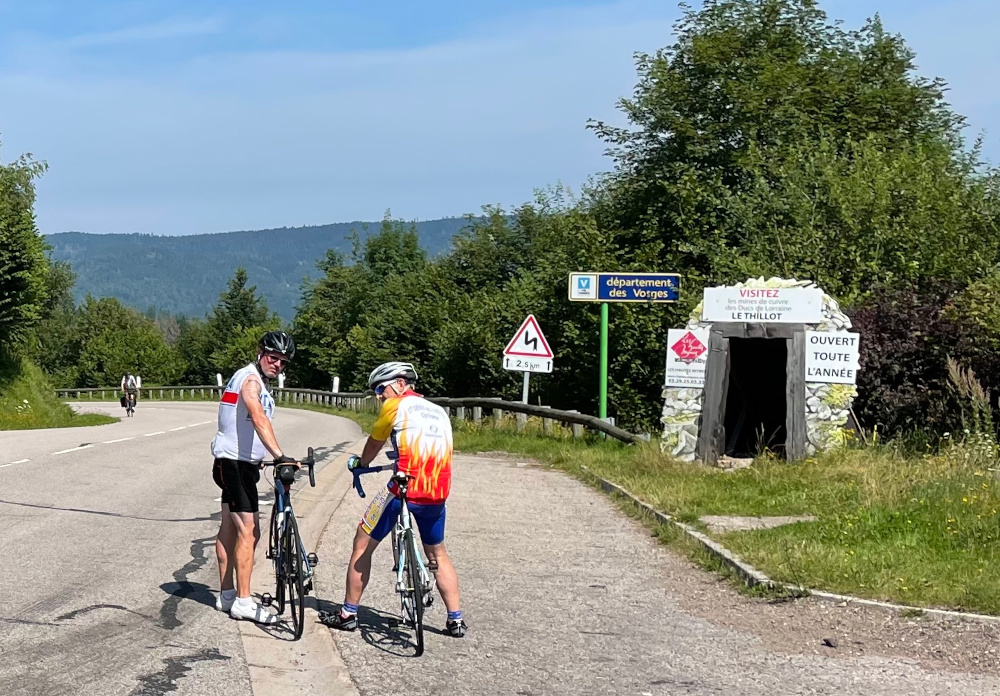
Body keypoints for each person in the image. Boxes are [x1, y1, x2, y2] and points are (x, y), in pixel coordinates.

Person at [322, 361, 467, 637]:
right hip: (437, 491)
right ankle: (455, 619)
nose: (378, 395)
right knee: (438, 553)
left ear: (400, 383)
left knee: (362, 543)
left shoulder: (395, 406)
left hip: (403, 489)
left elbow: (374, 444)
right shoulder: (440, 412)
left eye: (380, 388)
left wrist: (361, 464)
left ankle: (348, 614)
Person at [211, 331, 298, 624]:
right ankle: (244, 602)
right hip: (234, 464)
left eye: (283, 362)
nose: (277, 365)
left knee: (229, 527)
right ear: (260, 353)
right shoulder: (251, 380)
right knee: (249, 530)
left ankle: (226, 595)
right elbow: (256, 414)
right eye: (273, 358)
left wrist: (260, 456)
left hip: (236, 462)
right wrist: (279, 454)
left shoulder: (246, 376)